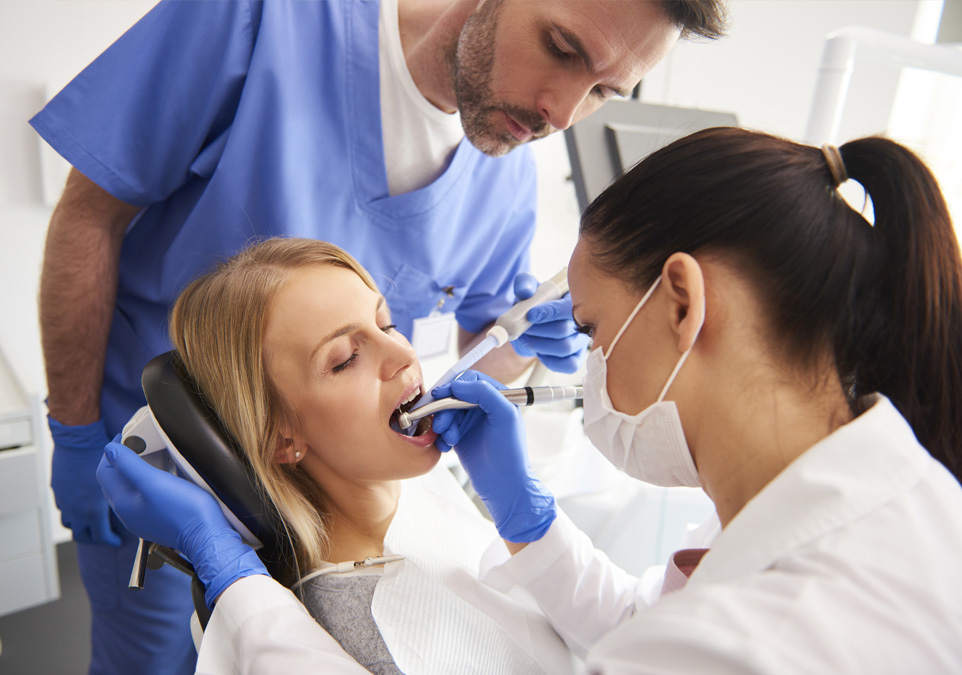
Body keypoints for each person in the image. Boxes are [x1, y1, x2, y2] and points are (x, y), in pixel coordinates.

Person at [31, 0, 728, 671]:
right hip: (159, 463)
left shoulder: (504, 168)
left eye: (605, 89)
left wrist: (517, 344)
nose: (564, 113)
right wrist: (75, 430)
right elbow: (91, 217)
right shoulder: (261, 21)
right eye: (563, 48)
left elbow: (477, 347)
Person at [426, 126, 962, 672]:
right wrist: (530, 521)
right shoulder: (914, 498)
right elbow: (649, 620)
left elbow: (671, 644)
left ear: (682, 302)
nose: (592, 363)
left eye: (592, 331)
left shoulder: (741, 643)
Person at [101, 236, 578, 674]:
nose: (401, 355)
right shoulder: (368, 632)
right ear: (281, 438)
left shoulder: (404, 481)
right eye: (346, 359)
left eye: (387, 323)